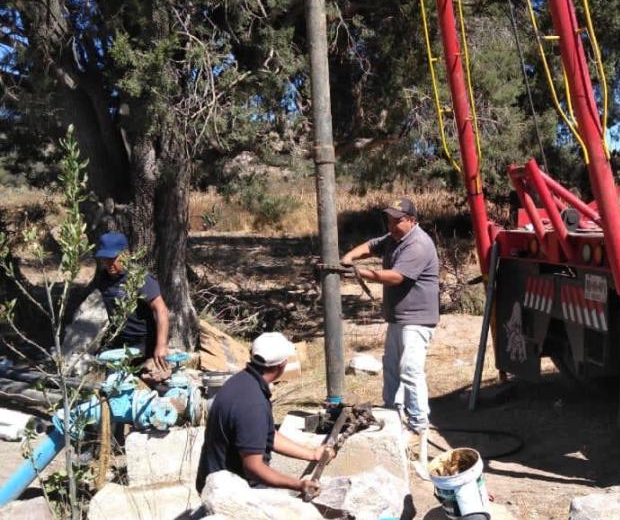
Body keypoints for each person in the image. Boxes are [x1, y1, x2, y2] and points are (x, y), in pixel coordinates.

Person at [340, 197, 439, 476]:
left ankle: (417, 425)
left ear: (412, 220)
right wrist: (348, 258)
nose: (392, 225)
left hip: (417, 319)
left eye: (398, 220)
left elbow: (396, 277)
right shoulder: (394, 238)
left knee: (410, 369)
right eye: (389, 220)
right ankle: (392, 414)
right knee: (392, 367)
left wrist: (360, 272)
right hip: (399, 318)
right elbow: (372, 245)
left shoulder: (417, 244)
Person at [196, 331, 325, 495]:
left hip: (216, 480)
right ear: (282, 365)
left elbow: (267, 435)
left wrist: (312, 454)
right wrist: (299, 485)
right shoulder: (253, 403)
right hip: (231, 493)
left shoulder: (241, 382)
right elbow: (253, 468)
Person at [94, 231, 171, 379]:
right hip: (119, 339)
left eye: (112, 258)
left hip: (143, 341)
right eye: (105, 259)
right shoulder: (103, 278)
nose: (108, 264)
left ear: (125, 255)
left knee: (124, 377)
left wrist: (161, 345)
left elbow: (161, 310)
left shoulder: (140, 277)